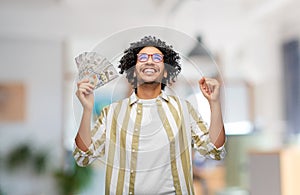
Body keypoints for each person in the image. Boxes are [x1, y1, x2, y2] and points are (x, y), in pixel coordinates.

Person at [73, 36, 226, 195]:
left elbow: (214, 150)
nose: (150, 61)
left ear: (166, 70)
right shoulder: (111, 113)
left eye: (157, 58)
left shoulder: (184, 110)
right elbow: (83, 156)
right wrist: (87, 109)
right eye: (143, 58)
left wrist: (214, 103)